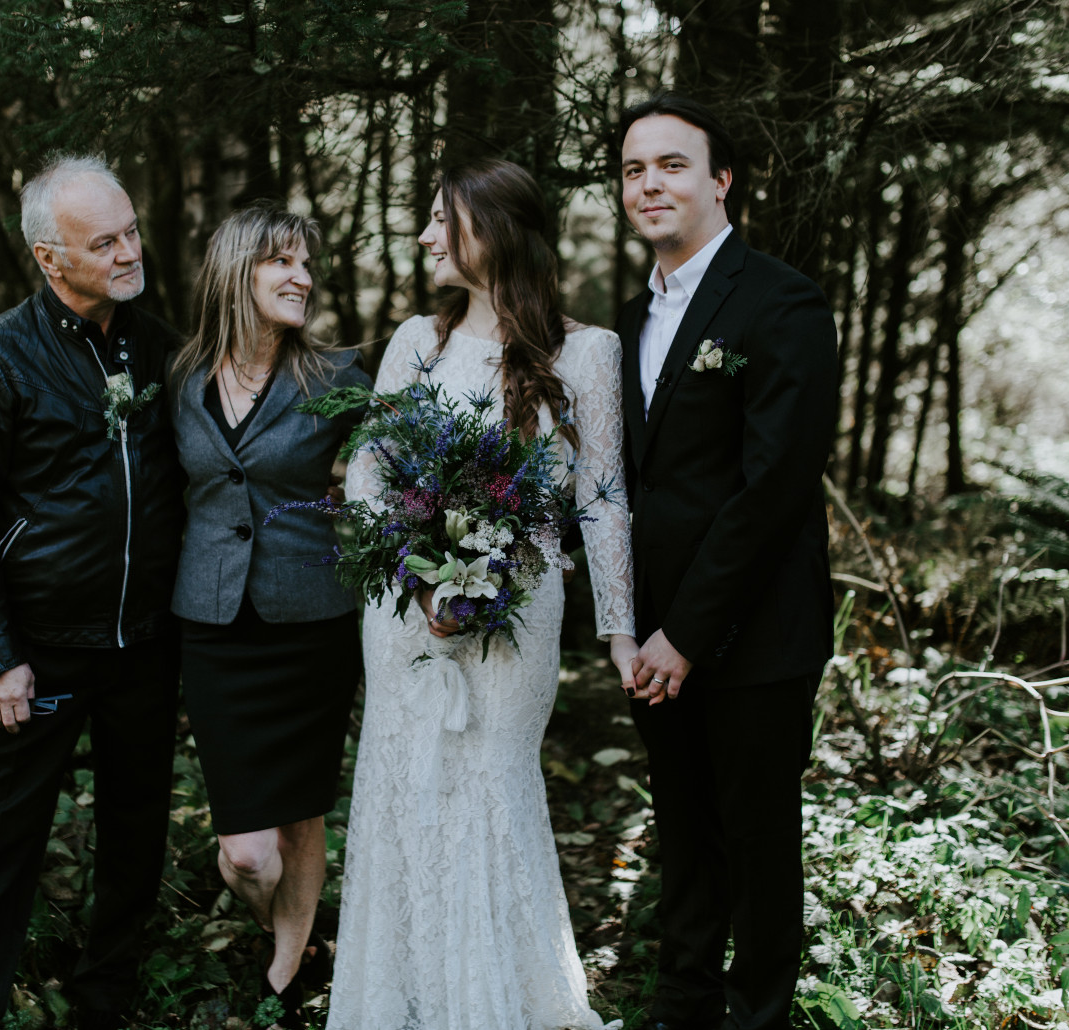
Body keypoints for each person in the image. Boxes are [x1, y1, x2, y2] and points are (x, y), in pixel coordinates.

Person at [327, 159, 638, 1030]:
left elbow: (603, 498)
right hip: (404, 619)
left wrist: (619, 630)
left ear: (494, 230)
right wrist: (417, 569)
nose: (426, 236)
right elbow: (366, 474)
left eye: (441, 219)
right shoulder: (413, 344)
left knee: (493, 791)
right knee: (405, 792)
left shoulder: (587, 352)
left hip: (518, 620)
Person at [0, 155, 184, 1030]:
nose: (130, 252)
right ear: (48, 258)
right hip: (38, 651)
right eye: (106, 242)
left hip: (144, 645)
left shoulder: (156, 341)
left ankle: (105, 1005)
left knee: (134, 846)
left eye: (132, 230)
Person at [615, 92, 839, 1030]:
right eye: (633, 170)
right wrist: (631, 627)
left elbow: (774, 488)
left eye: (671, 165)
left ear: (720, 180)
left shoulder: (781, 300)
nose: (649, 184)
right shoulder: (626, 320)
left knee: (756, 843)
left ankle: (760, 1016)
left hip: (752, 634)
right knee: (684, 833)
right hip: (656, 642)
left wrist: (687, 633)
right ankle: (682, 1003)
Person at [169, 205, 370, 1027]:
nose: (301, 278)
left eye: (306, 265)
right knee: (245, 852)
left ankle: (288, 970)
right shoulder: (180, 381)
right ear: (234, 273)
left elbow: (395, 484)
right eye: (279, 263)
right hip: (214, 627)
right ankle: (276, 921)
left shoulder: (340, 379)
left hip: (311, 621)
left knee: (302, 811)